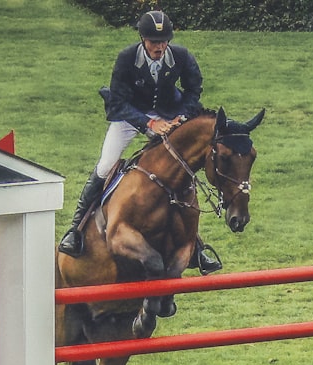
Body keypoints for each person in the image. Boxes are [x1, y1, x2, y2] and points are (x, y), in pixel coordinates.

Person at [58, 10, 222, 274]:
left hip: (169, 114)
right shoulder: (126, 59)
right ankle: (75, 230)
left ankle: (197, 247)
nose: (160, 47)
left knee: (179, 171)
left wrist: (181, 116)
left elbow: (194, 89)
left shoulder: (180, 55)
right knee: (105, 165)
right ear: (143, 39)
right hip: (129, 116)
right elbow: (119, 101)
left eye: (163, 41)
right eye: (154, 42)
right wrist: (148, 125)